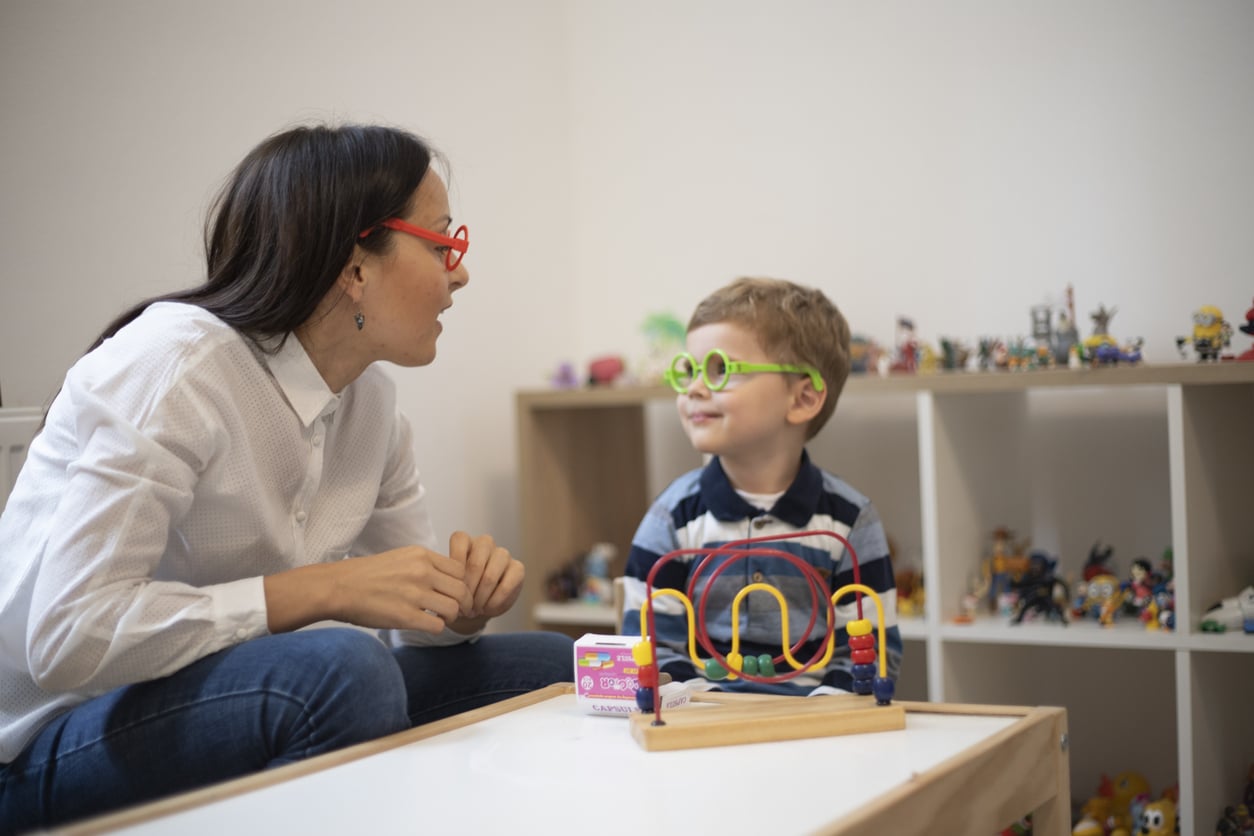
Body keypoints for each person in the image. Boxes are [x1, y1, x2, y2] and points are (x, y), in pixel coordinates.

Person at [0, 123, 573, 831]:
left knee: (554, 664)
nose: (460, 272)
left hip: (237, 695)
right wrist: (321, 590)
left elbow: (407, 624)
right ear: (353, 265)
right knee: (342, 671)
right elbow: (67, 638)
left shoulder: (372, 407)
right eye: (441, 243)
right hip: (48, 741)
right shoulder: (174, 368)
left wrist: (459, 607)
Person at [619, 277, 901, 696]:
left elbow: (871, 650)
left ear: (803, 398)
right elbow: (650, 646)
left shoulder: (849, 520)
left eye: (720, 370)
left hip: (817, 733)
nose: (695, 388)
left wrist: (828, 711)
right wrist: (706, 705)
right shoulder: (672, 517)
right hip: (702, 726)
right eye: (690, 370)